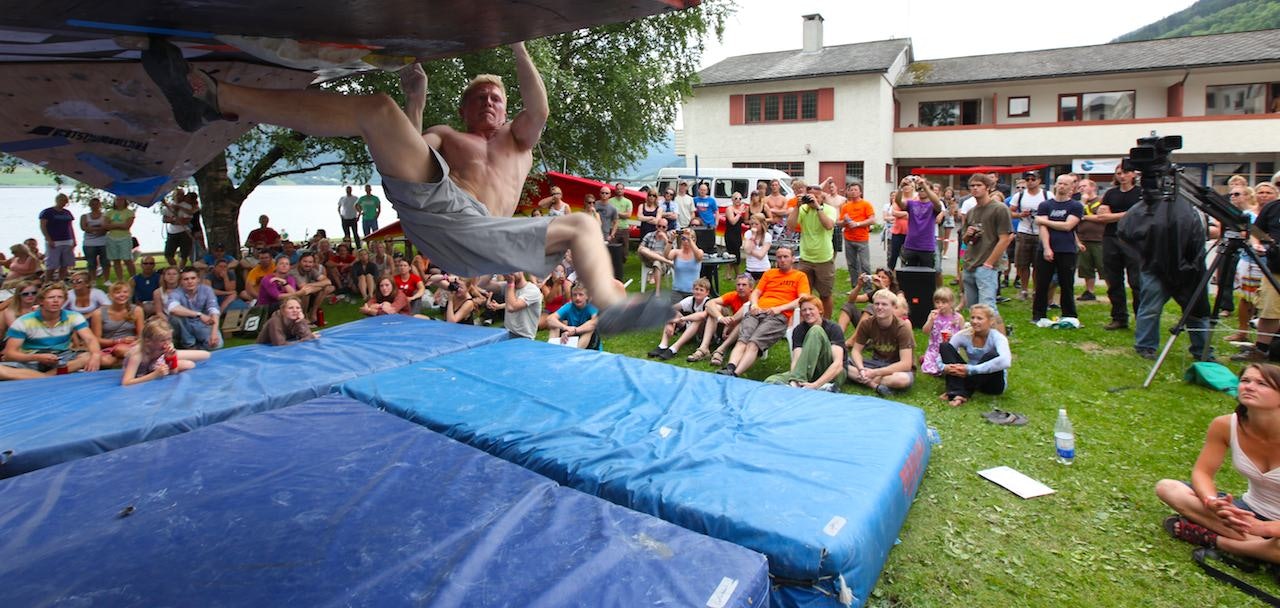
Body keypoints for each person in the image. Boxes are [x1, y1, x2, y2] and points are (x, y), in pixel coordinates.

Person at [142, 37, 666, 334]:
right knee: (378, 111)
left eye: (495, 99)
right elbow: (401, 149)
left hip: (481, 235)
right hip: (437, 217)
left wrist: (517, 42)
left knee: (581, 223)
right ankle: (212, 99)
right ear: (462, 108)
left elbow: (540, 107)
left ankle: (613, 306)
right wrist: (414, 95)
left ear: (507, 110)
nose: (488, 103)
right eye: (478, 97)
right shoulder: (448, 136)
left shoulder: (517, 142)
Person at [1155, 363, 1280, 563]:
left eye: (1262, 383)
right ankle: (1262, 550)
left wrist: (1265, 528)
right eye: (1245, 380)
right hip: (1246, 511)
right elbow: (1202, 473)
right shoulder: (1225, 425)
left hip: (1269, 525)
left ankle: (1221, 542)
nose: (1249, 386)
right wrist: (1212, 502)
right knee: (1168, 488)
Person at [719, 247, 810, 378]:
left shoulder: (800, 276)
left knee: (754, 342)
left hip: (777, 316)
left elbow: (803, 299)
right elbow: (756, 292)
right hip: (757, 311)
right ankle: (730, 367)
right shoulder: (769, 273)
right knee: (743, 339)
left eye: (785, 257)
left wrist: (781, 308)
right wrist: (754, 304)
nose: (782, 260)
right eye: (779, 257)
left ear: (793, 259)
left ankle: (735, 373)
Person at [2, 283, 102, 378]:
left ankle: (44, 376)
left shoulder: (74, 317)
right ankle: (49, 376)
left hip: (62, 357)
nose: (56, 301)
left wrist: (96, 355)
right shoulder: (23, 322)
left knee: (97, 356)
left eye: (60, 297)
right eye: (51, 297)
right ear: (41, 301)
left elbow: (90, 339)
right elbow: (10, 354)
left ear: (64, 300)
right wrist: (38, 357)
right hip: (32, 357)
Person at [1095, 166, 1143, 330]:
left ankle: (1141, 318)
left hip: (1133, 240)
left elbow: (1143, 214)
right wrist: (1128, 213)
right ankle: (1119, 317)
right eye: (1119, 173)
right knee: (1114, 280)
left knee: (1136, 282)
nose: (1122, 176)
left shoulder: (1140, 193)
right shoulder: (1111, 193)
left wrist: (1114, 215)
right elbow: (1102, 217)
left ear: (1133, 174)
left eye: (1126, 173)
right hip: (1111, 238)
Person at [764, 294, 845, 391]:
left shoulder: (833, 328)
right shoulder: (799, 330)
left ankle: (803, 387)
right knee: (770, 381)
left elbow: (838, 365)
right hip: (809, 372)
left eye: (811, 309)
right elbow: (796, 359)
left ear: (820, 310)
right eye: (804, 310)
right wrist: (792, 378)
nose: (807, 312)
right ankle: (808, 387)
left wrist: (815, 384)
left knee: (816, 331)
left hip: (832, 373)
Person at [1032, 175, 1085, 323]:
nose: (1061, 186)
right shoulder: (1045, 205)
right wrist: (1047, 248)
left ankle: (1069, 315)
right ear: (1055, 185)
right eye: (1059, 183)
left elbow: (1068, 226)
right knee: (1042, 283)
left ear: (1071, 188)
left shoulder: (1075, 206)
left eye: (1065, 184)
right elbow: (1043, 229)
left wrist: (1044, 220)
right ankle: (1038, 315)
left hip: (1067, 249)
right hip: (1047, 249)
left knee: (1066, 284)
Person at [959, 173, 1015, 312]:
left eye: (979, 185)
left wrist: (989, 263)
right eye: (972, 186)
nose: (975, 189)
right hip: (970, 263)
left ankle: (996, 334)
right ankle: (977, 334)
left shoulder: (999, 208)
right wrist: (968, 234)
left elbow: (1005, 238)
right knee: (973, 309)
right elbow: (965, 240)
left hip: (986, 265)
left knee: (988, 309)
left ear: (988, 188)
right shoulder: (971, 211)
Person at [938, 303, 1012, 406]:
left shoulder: (998, 337)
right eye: (972, 318)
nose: (974, 321)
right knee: (945, 346)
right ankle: (956, 391)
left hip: (992, 384)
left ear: (990, 321)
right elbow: (941, 356)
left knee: (992, 355)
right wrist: (944, 367)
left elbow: (1005, 361)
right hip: (969, 376)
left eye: (979, 318)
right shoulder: (964, 335)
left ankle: (961, 392)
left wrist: (971, 370)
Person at [847, 288, 915, 396]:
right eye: (876, 304)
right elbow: (856, 350)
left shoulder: (902, 328)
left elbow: (906, 363)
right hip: (874, 363)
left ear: (893, 307)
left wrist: (875, 373)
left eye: (884, 304)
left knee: (902, 380)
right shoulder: (866, 323)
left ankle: (864, 379)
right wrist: (861, 369)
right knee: (840, 362)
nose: (879, 307)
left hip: (895, 367)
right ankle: (873, 384)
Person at [789, 182, 839, 317]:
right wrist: (797, 206)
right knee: (805, 294)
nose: (813, 199)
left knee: (825, 294)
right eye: (811, 197)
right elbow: (791, 226)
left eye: (817, 197)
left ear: (822, 198)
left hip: (824, 258)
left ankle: (826, 321)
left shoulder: (829, 210)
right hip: (806, 258)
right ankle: (806, 318)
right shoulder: (803, 209)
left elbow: (828, 225)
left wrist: (817, 207)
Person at [120, 317, 210, 386]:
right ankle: (155, 368)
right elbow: (126, 382)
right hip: (147, 369)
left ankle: (160, 363)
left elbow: (173, 371)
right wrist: (154, 375)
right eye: (162, 340)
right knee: (188, 364)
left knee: (206, 355)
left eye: (169, 339)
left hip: (156, 362)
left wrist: (170, 358)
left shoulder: (167, 346)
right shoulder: (137, 354)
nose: (167, 343)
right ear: (148, 341)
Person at [647, 277, 712, 361]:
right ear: (692, 290)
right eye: (696, 289)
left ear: (707, 293)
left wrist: (681, 319)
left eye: (701, 290)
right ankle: (663, 345)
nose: (698, 292)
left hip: (704, 332)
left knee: (697, 319)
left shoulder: (709, 302)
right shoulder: (690, 300)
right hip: (690, 328)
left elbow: (702, 315)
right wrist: (669, 323)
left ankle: (674, 349)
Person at [1009, 171, 1049, 299]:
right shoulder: (1019, 196)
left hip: (1041, 233)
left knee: (1038, 264)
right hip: (1024, 231)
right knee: (1022, 263)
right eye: (1028, 179)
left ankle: (1037, 290)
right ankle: (1024, 289)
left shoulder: (1047, 195)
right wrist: (1020, 215)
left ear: (1039, 180)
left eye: (1033, 179)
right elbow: (1010, 212)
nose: (1030, 181)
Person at [704, 273, 754, 368]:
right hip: (732, 327)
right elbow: (709, 303)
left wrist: (730, 323)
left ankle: (720, 350)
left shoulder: (755, 297)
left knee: (745, 316)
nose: (740, 287)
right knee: (715, 309)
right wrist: (720, 317)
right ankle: (704, 347)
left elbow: (747, 310)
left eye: (744, 285)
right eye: (738, 285)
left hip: (748, 331)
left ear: (751, 288)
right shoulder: (733, 295)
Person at [166, 267, 222, 350]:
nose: (190, 281)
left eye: (193, 278)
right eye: (186, 279)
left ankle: (197, 348)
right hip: (185, 324)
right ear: (181, 282)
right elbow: (172, 308)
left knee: (217, 344)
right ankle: (189, 345)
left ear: (198, 279)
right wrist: (198, 314)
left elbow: (214, 310)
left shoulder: (207, 290)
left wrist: (214, 332)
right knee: (174, 317)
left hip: (202, 324)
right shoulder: (176, 292)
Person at [896, 175, 943, 269]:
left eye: (924, 189)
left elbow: (938, 204)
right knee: (909, 275)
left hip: (926, 246)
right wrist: (901, 187)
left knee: (926, 277)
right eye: (920, 189)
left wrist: (924, 185)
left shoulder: (932, 205)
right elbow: (898, 202)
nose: (921, 190)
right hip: (910, 245)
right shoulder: (911, 203)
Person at [837, 267, 899, 332]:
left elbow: (896, 305)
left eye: (883, 277)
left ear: (890, 281)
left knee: (871, 307)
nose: (880, 279)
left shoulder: (896, 293)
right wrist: (859, 285)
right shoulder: (875, 293)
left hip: (887, 325)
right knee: (848, 306)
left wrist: (882, 287)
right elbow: (852, 300)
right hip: (872, 324)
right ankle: (838, 337)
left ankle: (855, 339)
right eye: (878, 276)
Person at [921, 287, 965, 376]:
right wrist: (930, 320)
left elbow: (964, 337)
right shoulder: (934, 315)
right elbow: (925, 331)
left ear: (951, 303)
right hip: (934, 349)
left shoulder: (958, 318)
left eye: (944, 302)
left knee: (948, 365)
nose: (940, 305)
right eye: (937, 302)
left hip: (951, 350)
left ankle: (935, 364)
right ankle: (927, 360)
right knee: (930, 367)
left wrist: (953, 336)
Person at [97, 282, 145, 362]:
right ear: (110, 296)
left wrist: (136, 342)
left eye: (125, 292)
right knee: (107, 360)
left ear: (129, 295)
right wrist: (119, 341)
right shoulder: (99, 313)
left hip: (131, 345)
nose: (122, 295)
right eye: (118, 292)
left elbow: (141, 334)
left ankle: (132, 360)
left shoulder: (137, 310)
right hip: (109, 344)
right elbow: (96, 339)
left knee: (121, 349)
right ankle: (131, 360)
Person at [1076, 179, 1106, 301]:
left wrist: (1084, 217)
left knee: (1103, 266)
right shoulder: (1079, 203)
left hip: (1099, 239)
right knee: (1086, 268)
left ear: (1093, 187)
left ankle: (1111, 290)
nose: (1081, 188)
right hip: (1083, 238)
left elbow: (1101, 217)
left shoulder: (1101, 201)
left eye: (1084, 186)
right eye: (1079, 187)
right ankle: (1089, 291)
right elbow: (1076, 217)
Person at [840, 182, 876, 285]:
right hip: (848, 238)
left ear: (860, 192)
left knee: (865, 265)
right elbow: (840, 222)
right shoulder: (845, 206)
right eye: (851, 190)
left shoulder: (866, 204)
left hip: (862, 239)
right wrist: (844, 222)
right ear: (848, 192)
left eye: (855, 189)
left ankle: (868, 289)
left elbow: (872, 220)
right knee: (851, 264)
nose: (853, 192)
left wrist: (857, 224)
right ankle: (855, 287)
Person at [546, 283, 598, 349]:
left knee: (589, 329)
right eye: (574, 295)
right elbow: (550, 319)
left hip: (590, 344)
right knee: (554, 326)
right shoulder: (569, 306)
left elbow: (594, 322)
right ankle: (552, 350)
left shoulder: (592, 307)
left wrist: (575, 330)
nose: (577, 298)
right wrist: (565, 328)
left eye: (581, 295)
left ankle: (576, 352)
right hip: (571, 337)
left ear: (587, 296)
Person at [39, 193, 77, 282]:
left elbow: (70, 227)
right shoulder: (47, 212)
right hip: (54, 241)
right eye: (62, 201)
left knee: (65, 264)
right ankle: (47, 282)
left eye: (65, 201)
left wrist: (74, 239)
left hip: (67, 240)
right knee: (52, 264)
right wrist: (48, 239)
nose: (64, 203)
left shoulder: (67, 213)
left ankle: (61, 282)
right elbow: (43, 226)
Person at [493, 272, 542, 340]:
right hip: (507, 331)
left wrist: (510, 284)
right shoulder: (506, 286)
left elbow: (511, 307)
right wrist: (492, 267)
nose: (510, 273)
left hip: (523, 337)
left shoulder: (532, 290)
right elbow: (482, 284)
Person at [104, 197, 137, 284]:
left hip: (124, 238)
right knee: (116, 260)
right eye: (117, 200)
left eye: (121, 200)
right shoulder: (109, 212)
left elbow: (126, 226)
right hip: (111, 238)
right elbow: (105, 225)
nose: (119, 202)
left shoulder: (129, 212)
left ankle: (134, 278)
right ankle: (120, 280)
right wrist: (120, 225)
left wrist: (113, 224)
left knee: (127, 259)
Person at [668, 227, 704, 302]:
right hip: (677, 291)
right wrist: (670, 240)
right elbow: (666, 256)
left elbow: (699, 257)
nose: (686, 241)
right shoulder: (676, 252)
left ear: (694, 239)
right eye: (683, 239)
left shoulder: (699, 252)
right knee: (674, 312)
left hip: (694, 292)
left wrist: (689, 239)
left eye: (689, 239)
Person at [162, 189, 195, 268]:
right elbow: (164, 219)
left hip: (184, 232)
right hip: (172, 232)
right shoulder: (168, 206)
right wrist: (173, 220)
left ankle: (181, 268)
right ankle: (175, 268)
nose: (178, 197)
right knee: (168, 254)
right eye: (177, 195)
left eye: (181, 195)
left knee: (184, 255)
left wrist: (173, 219)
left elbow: (186, 220)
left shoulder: (187, 206)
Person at [80, 197, 109, 282]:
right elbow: (83, 227)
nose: (95, 206)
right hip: (89, 244)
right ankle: (93, 280)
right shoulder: (85, 216)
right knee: (91, 263)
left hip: (103, 242)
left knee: (105, 262)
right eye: (93, 204)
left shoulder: (105, 216)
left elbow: (107, 227)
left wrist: (92, 228)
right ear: (89, 205)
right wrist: (99, 229)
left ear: (100, 205)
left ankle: (106, 280)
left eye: (97, 204)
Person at [539, 263, 573, 330]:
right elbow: (549, 300)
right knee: (540, 324)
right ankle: (557, 324)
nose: (559, 274)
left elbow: (568, 299)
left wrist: (567, 287)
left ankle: (555, 324)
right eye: (556, 271)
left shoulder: (567, 283)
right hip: (549, 311)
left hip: (563, 310)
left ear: (565, 274)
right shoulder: (546, 285)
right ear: (551, 273)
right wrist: (556, 284)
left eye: (561, 272)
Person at [741, 214, 772, 281]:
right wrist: (753, 236)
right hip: (750, 267)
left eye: (756, 224)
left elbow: (761, 255)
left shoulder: (767, 236)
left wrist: (749, 250)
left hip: (763, 268)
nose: (754, 226)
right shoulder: (748, 233)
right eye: (752, 224)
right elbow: (746, 250)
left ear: (762, 224)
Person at [723, 192, 746, 277]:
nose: (738, 200)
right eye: (736, 198)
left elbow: (744, 221)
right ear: (732, 199)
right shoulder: (730, 209)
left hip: (738, 234)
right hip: (730, 234)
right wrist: (739, 213)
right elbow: (732, 221)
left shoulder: (741, 209)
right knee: (732, 254)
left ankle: (733, 274)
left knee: (736, 253)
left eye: (740, 198)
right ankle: (731, 274)